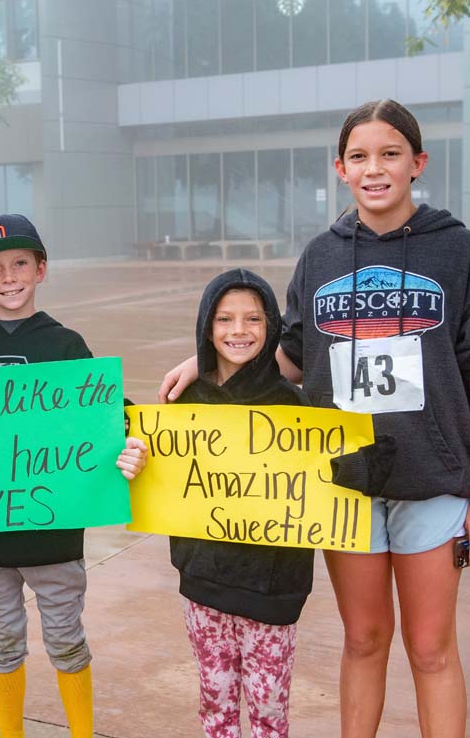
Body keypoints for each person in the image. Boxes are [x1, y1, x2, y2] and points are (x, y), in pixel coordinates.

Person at [159, 100, 470, 738]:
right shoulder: (321, 257)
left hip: (431, 479)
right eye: (359, 157)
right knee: (364, 639)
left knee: (431, 649)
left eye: (389, 154)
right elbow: (291, 354)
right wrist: (206, 359)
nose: (374, 168)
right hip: (342, 485)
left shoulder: (462, 253)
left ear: (417, 163)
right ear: (340, 169)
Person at [0, 213, 148, 738]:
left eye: (19, 264)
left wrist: (129, 438)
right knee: (2, 640)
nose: (9, 277)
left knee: (65, 639)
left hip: (55, 537)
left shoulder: (65, 345)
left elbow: (103, 415)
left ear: (41, 270)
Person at [167, 268, 314, 738]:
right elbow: (167, 477)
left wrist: (359, 467)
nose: (238, 331)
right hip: (205, 585)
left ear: (271, 326)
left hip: (273, 590)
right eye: (225, 319)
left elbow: (324, 483)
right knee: (215, 707)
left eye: (253, 319)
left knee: (269, 712)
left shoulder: (297, 409)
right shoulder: (184, 401)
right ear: (206, 328)